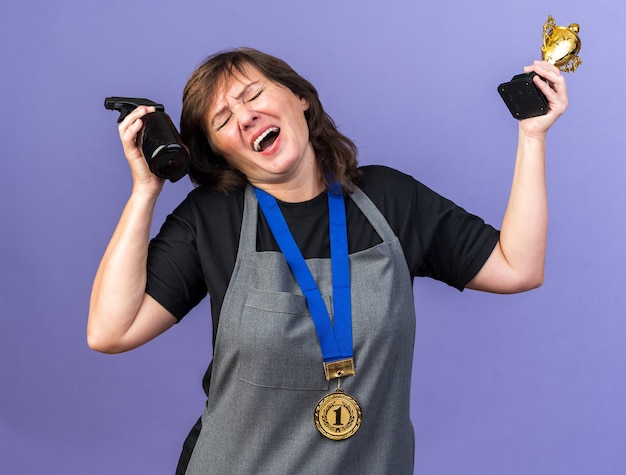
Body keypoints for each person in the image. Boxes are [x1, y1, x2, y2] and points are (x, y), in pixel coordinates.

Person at [88, 48, 568, 474]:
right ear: (219, 153)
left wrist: (532, 138)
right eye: (222, 120)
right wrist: (145, 191)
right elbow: (111, 330)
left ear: (300, 98)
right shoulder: (212, 220)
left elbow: (517, 266)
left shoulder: (390, 199)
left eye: (253, 95)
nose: (246, 117)